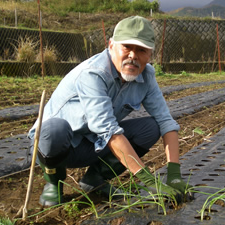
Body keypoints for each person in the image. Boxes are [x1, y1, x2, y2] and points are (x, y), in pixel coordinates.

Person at [28, 15, 193, 207]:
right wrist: (150, 181)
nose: (133, 55)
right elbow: (107, 129)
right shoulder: (93, 73)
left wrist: (174, 174)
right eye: (127, 47)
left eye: (141, 50)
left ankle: (94, 180)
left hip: (94, 144)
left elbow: (166, 121)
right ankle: (53, 184)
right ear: (111, 45)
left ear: (150, 54)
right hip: (57, 147)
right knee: (53, 129)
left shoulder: (146, 75)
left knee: (151, 127)